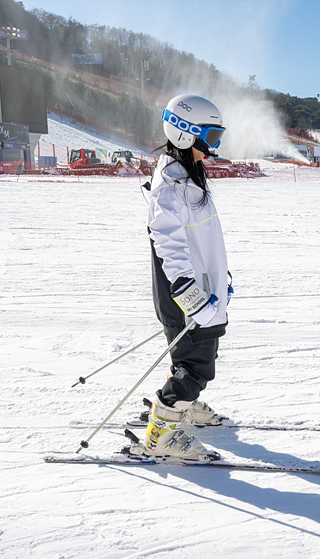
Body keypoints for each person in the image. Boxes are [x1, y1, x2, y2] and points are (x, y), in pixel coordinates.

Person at [132, 94, 229, 461]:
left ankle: (184, 407)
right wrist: (187, 291)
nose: (215, 145)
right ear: (188, 134)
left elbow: (201, 238)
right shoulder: (171, 185)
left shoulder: (186, 176)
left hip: (204, 287)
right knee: (195, 367)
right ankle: (161, 434)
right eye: (213, 136)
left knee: (198, 356)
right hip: (187, 293)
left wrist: (222, 276)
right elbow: (169, 244)